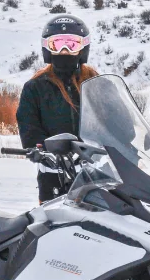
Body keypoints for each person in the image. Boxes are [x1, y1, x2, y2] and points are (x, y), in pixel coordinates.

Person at [16, 14, 99, 203]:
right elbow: (29, 128)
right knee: (54, 225)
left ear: (83, 47)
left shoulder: (96, 84)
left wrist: (129, 140)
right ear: (47, 48)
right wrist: (41, 150)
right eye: (57, 44)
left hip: (95, 171)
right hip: (53, 173)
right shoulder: (35, 87)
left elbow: (117, 120)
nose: (63, 50)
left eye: (71, 44)